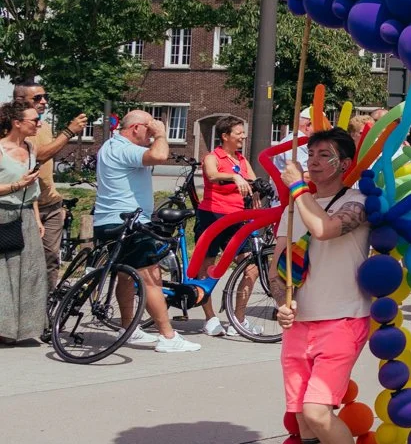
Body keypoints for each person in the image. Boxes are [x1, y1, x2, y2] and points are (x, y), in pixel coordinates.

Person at [273, 126, 377, 444]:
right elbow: (280, 262)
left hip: (344, 317)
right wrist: (283, 301)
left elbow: (325, 229)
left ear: (344, 164)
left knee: (318, 410)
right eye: (311, 154)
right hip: (300, 323)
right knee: (301, 415)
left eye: (324, 155)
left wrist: (298, 188)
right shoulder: (293, 207)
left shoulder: (357, 203)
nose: (314, 161)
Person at [94, 110, 194, 353]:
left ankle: (127, 328)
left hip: (108, 221)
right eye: (148, 130)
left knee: (127, 276)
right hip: (131, 223)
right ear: (135, 128)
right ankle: (168, 336)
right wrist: (162, 134)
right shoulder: (125, 148)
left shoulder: (110, 146)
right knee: (151, 278)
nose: (151, 135)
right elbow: (159, 155)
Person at [15, 83, 89, 287]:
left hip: (51, 203)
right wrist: (69, 132)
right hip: (27, 204)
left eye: (45, 97)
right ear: (20, 101)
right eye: (38, 98)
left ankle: (47, 308)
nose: (44, 102)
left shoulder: (43, 125)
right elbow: (38, 155)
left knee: (51, 259)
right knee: (24, 260)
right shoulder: (17, 128)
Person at [197, 120, 257, 338]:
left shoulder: (241, 160)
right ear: (225, 136)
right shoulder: (212, 157)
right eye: (239, 133)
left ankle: (238, 319)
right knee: (207, 267)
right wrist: (233, 176)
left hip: (237, 218)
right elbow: (212, 175)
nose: (243, 137)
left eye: (244, 133)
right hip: (212, 215)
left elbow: (253, 179)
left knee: (251, 266)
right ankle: (210, 318)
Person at [0, 101, 47, 345]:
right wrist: (16, 186)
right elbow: (21, 185)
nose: (39, 123)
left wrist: (37, 218)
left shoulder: (31, 148)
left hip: (26, 215)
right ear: (16, 123)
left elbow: (34, 190)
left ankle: (25, 328)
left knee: (30, 273)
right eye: (34, 120)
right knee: (3, 276)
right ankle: (3, 330)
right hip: (2, 214)